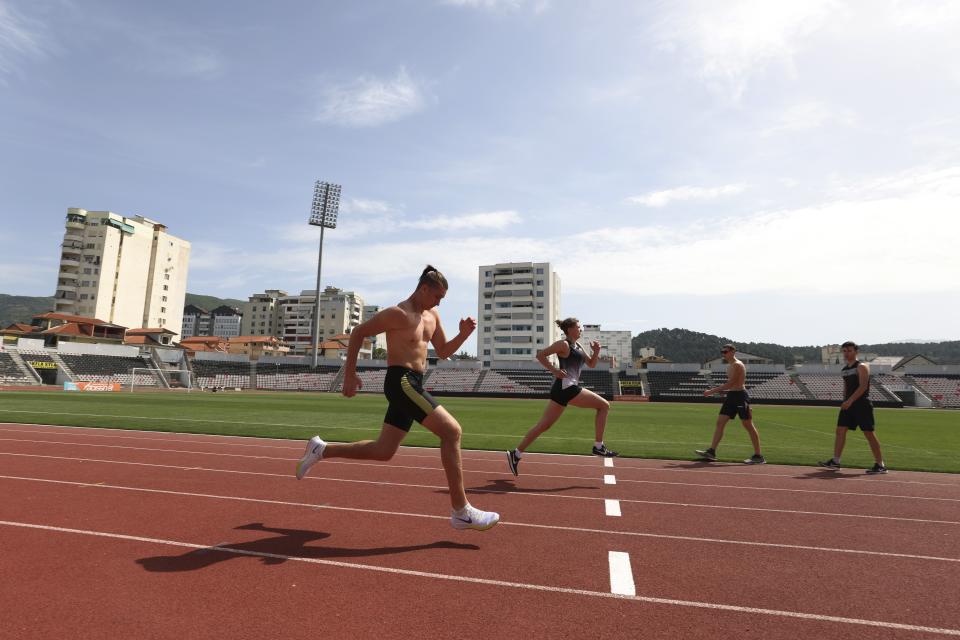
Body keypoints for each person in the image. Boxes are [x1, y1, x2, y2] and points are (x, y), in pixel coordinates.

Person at [295, 265, 500, 531]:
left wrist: (463, 334)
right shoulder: (398, 314)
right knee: (452, 432)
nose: (439, 302)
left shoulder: (432, 316)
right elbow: (358, 333)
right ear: (424, 288)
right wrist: (349, 375)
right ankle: (461, 511)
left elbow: (444, 350)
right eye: (437, 296)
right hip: (400, 380)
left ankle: (321, 449)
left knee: (384, 451)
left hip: (414, 381)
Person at [506, 317, 617, 476]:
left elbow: (592, 364)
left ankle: (515, 454)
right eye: (578, 327)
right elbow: (540, 355)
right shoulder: (563, 345)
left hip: (562, 390)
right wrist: (554, 371)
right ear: (570, 329)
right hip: (567, 387)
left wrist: (597, 351)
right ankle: (598, 446)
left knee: (544, 425)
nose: (581, 329)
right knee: (604, 405)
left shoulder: (578, 346)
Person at [818, 341, 887, 474]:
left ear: (856, 352)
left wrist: (850, 400)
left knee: (868, 433)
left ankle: (880, 464)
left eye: (849, 350)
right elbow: (846, 388)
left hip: (862, 404)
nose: (846, 353)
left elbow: (863, 387)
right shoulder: (844, 370)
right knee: (840, 430)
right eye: (844, 351)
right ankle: (836, 461)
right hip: (848, 404)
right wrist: (844, 401)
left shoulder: (861, 366)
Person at [695, 344, 765, 464]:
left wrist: (711, 391)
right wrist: (724, 391)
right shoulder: (730, 365)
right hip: (732, 396)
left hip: (740, 396)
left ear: (733, 351)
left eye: (725, 351)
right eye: (722, 351)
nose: (723, 354)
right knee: (720, 422)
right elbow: (732, 385)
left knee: (748, 425)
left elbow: (731, 383)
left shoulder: (737, 365)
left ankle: (758, 456)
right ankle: (711, 451)